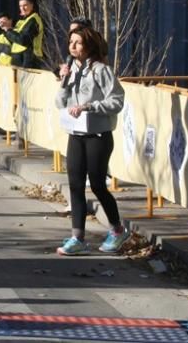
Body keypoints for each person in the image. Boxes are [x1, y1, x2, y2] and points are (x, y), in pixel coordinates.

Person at [54, 25, 129, 256]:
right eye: (71, 43)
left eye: (78, 42)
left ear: (88, 46)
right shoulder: (70, 71)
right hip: (75, 134)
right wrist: (63, 82)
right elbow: (60, 103)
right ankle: (77, 237)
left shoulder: (100, 70)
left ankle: (117, 229)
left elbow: (117, 101)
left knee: (97, 185)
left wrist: (89, 106)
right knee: (75, 186)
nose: (73, 47)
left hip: (98, 134)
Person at [3, 0, 44, 69]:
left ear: (32, 5)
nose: (22, 8)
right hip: (20, 58)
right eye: (20, 6)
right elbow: (15, 40)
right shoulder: (23, 20)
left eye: (25, 5)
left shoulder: (33, 20)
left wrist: (8, 30)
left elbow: (23, 40)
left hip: (29, 58)